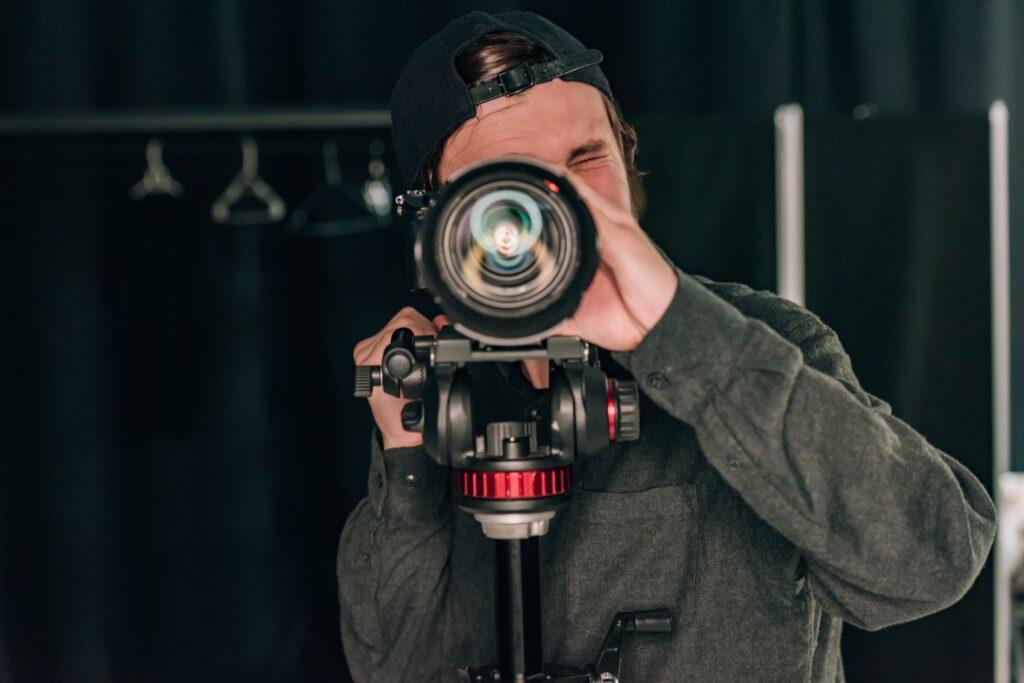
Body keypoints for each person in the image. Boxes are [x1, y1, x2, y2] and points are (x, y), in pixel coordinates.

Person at [338, 11, 996, 682]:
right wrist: (408, 460)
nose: (553, 206)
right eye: (509, 186)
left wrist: (679, 333)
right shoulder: (436, 383)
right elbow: (392, 666)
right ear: (438, 216)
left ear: (628, 163)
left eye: (583, 161)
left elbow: (931, 561)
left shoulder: (764, 340)